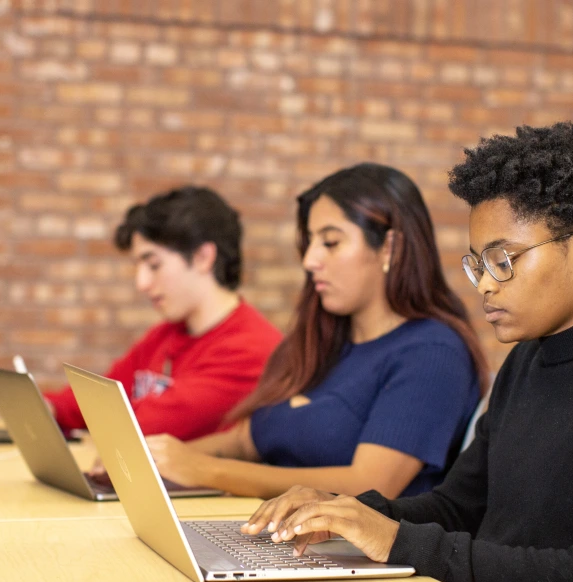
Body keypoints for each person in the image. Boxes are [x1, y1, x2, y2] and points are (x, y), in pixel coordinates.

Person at [245, 123, 573, 582]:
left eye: (504, 260)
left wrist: (396, 542)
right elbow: (459, 506)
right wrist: (346, 511)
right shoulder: (526, 361)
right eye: (478, 265)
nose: (486, 286)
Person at [136, 163, 491, 500]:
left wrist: (206, 471)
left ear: (390, 247)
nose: (309, 261)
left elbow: (370, 485)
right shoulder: (320, 340)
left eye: (331, 242)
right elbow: (245, 441)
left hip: (349, 557)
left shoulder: (432, 353)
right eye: (310, 242)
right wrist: (152, 459)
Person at [43, 186, 282, 442]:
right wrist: (47, 408)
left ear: (203, 257)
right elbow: (97, 398)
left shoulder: (253, 349)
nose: (142, 283)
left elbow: (143, 427)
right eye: (139, 266)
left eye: (154, 265)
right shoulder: (166, 334)